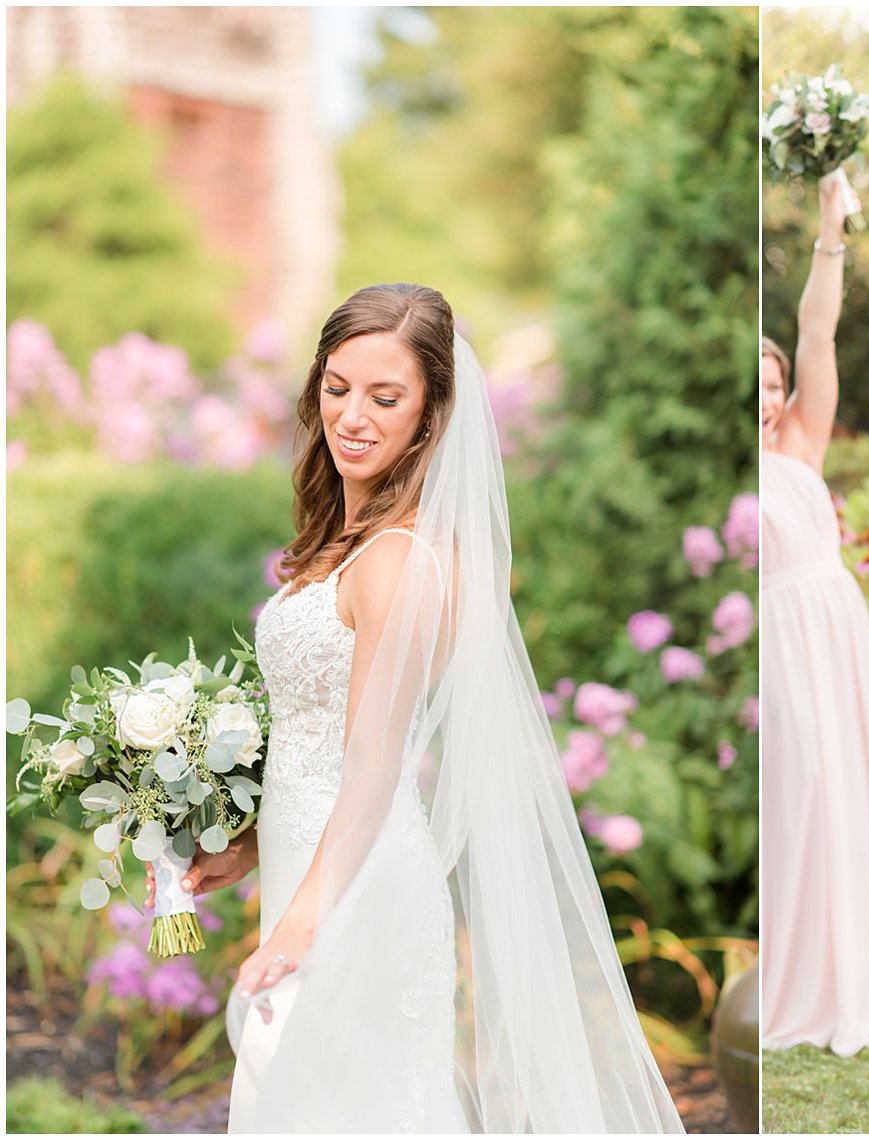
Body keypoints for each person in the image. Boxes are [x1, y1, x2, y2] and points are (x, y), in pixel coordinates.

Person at [149, 283, 684, 1132]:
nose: (352, 416)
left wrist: (304, 921)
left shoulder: (399, 560)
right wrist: (249, 846)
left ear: (430, 418)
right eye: (337, 387)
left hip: (361, 888)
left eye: (385, 397)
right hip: (312, 862)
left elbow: (370, 764)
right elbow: (314, 735)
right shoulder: (340, 543)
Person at [759, 173, 869, 1056]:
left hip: (835, 631)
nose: (769, 393)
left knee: (846, 791)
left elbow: (818, 329)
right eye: (755, 381)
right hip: (781, 642)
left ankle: (847, 982)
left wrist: (831, 229)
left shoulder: (800, 446)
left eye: (774, 381)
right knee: (802, 793)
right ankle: (797, 983)